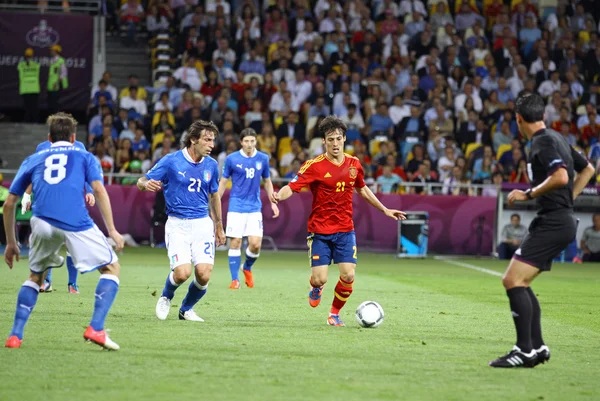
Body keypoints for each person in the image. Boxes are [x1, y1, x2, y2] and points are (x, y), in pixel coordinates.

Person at [490, 94, 595, 368]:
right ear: (544, 117)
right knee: (521, 282)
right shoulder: (557, 137)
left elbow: (560, 175)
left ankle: (523, 350)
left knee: (512, 281)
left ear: (518, 119)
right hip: (558, 218)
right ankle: (537, 347)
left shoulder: (542, 142)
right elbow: (589, 169)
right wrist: (567, 200)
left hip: (554, 221)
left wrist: (529, 193)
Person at [4, 112, 124, 350]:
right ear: (73, 137)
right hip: (74, 221)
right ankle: (96, 328)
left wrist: (12, 243)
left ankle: (15, 336)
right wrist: (112, 230)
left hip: (41, 222)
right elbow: (99, 191)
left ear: (49, 137)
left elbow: (9, 204)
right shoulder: (84, 155)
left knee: (35, 277)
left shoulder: (34, 158)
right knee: (111, 268)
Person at [270, 116, 406, 326]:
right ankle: (316, 286)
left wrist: (385, 209)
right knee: (320, 278)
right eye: (330, 139)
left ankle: (334, 314)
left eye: (338, 139)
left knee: (349, 275)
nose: (335, 143)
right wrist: (279, 195)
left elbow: (362, 189)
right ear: (324, 141)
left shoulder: (354, 164)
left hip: (344, 229)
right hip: (320, 231)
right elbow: (293, 186)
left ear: (344, 139)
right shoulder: (313, 166)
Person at [137, 120, 226, 322]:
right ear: (193, 140)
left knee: (203, 274)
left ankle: (186, 309)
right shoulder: (171, 161)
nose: (211, 144)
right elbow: (141, 180)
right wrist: (145, 184)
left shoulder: (211, 165)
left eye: (213, 140)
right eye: (207, 139)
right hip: (177, 224)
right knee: (182, 273)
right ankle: (166, 296)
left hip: (202, 223)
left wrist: (219, 226)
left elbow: (214, 196)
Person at [20, 137, 95, 294]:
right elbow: (37, 172)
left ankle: (72, 283)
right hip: (47, 201)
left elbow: (84, 170)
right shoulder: (43, 146)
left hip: (70, 200)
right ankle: (46, 281)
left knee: (71, 243)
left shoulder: (78, 146)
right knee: (47, 241)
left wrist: (89, 190)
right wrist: (27, 195)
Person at [217, 128, 279, 289]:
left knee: (255, 244)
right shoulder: (231, 159)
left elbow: (267, 181)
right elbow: (223, 182)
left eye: (252, 141)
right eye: (246, 141)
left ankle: (247, 267)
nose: (249, 144)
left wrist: (273, 202)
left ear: (256, 141)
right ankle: (235, 279)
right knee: (235, 242)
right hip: (236, 206)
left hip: (254, 207)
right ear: (241, 142)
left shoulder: (263, 158)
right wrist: (216, 199)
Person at [17, 48, 40, 123]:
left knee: (27, 107)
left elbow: (20, 76)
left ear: (25, 56)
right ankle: (34, 121)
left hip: (26, 89)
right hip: (34, 88)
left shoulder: (21, 65)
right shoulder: (36, 65)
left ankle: (28, 121)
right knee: (33, 107)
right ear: (32, 55)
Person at [47, 45, 68, 115]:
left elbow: (64, 73)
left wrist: (58, 82)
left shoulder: (60, 60)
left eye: (52, 50)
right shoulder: (52, 60)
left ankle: (56, 118)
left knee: (56, 102)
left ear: (56, 51)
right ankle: (51, 118)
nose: (51, 52)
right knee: (51, 102)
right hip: (51, 85)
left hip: (56, 85)